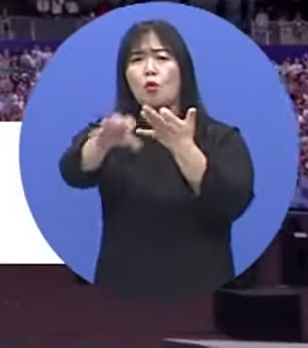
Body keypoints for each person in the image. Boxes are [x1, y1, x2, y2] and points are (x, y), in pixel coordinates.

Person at [58, 18, 256, 301]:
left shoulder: (221, 138)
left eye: (162, 58)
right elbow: (73, 172)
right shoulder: (113, 133)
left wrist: (183, 148)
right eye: (137, 59)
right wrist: (101, 143)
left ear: (183, 69)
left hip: (202, 291)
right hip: (121, 289)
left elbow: (232, 202)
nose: (149, 69)